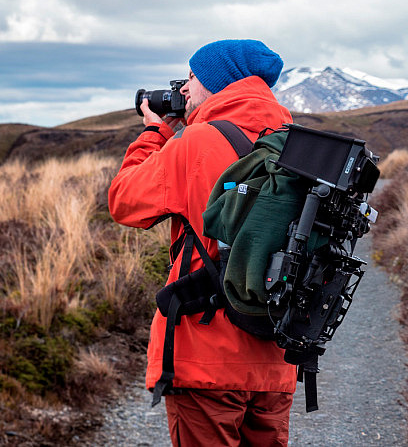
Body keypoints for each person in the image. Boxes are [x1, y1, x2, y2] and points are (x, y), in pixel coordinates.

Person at [108, 39, 297, 446]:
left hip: (206, 354)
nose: (184, 90)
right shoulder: (295, 143)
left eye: (192, 77)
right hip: (275, 358)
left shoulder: (193, 143)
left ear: (215, 81)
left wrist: (155, 133)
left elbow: (124, 202)